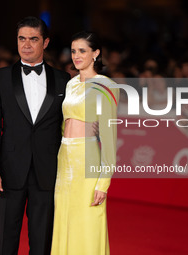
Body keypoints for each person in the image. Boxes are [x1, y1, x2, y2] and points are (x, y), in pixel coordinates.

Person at [0, 16, 70, 255]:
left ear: (46, 42)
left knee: (42, 243)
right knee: (6, 241)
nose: (27, 44)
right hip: (9, 172)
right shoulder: (0, 77)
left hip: (47, 172)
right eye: (22, 38)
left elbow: (67, 128)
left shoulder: (63, 80)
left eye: (33, 39)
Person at [51, 31, 119, 254]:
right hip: (64, 159)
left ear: (95, 53)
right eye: (73, 51)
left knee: (87, 222)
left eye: (82, 51)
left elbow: (109, 139)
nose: (76, 56)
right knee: (64, 217)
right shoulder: (70, 84)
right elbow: (63, 124)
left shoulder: (106, 86)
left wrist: (103, 182)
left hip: (87, 158)